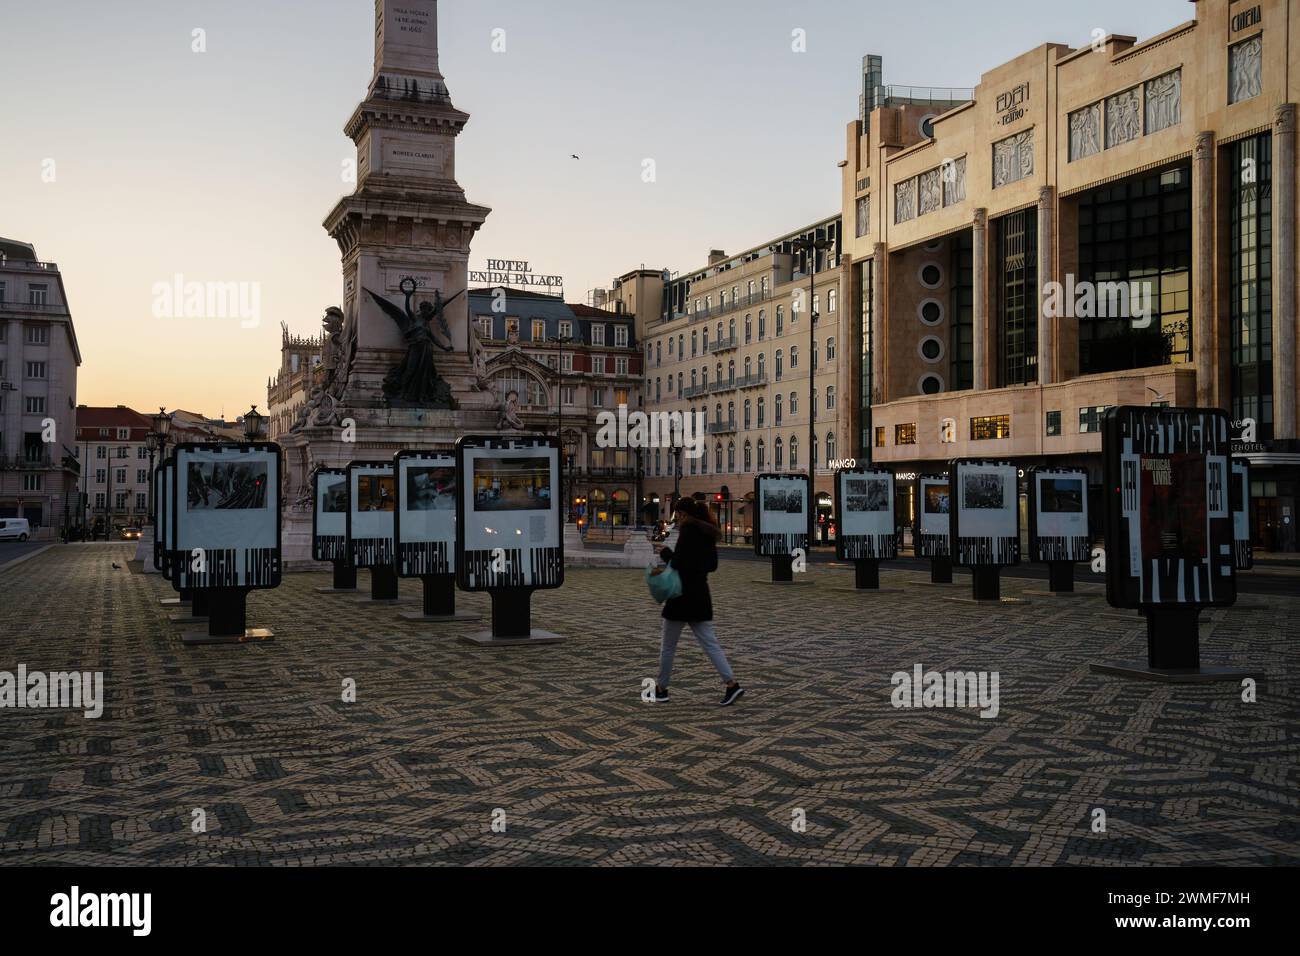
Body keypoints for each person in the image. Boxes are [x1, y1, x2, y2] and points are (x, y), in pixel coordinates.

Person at [653, 498, 744, 706]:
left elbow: (679, 563)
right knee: (711, 644)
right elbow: (712, 565)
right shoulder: (708, 532)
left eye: (678, 515)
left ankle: (661, 689)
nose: (677, 520)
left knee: (668, 646)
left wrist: (666, 553)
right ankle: (731, 684)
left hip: (681, 596)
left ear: (683, 514)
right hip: (701, 594)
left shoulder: (688, 531)